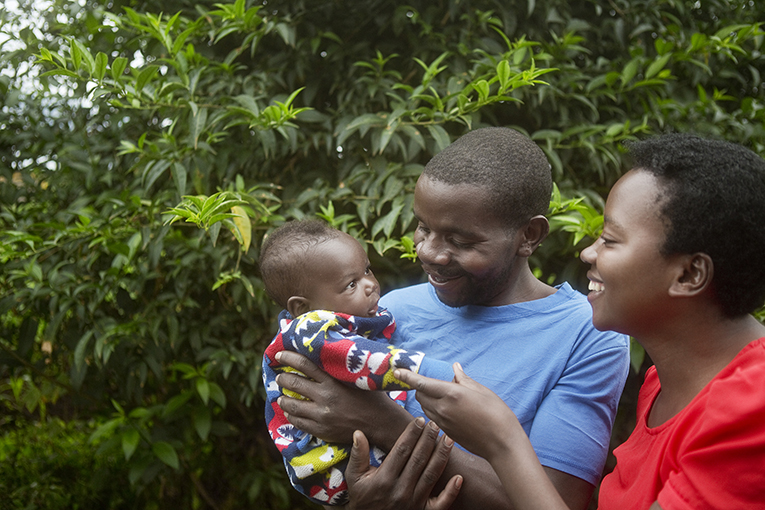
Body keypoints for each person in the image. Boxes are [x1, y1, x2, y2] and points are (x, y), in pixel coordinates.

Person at [395, 133, 765, 509]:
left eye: (610, 239)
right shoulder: (663, 385)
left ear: (688, 274)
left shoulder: (752, 409)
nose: (589, 252)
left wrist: (502, 440)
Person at [274, 127, 631, 510]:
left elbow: (556, 501)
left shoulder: (588, 334)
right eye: (423, 227)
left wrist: (387, 423)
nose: (430, 252)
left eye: (460, 241)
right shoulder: (387, 312)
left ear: (529, 235)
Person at [260, 219, 447, 505]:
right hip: (332, 467)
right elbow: (367, 362)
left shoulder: (342, 322)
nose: (371, 284)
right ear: (303, 307)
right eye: (351, 284)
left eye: (367, 270)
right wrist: (434, 373)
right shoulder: (309, 330)